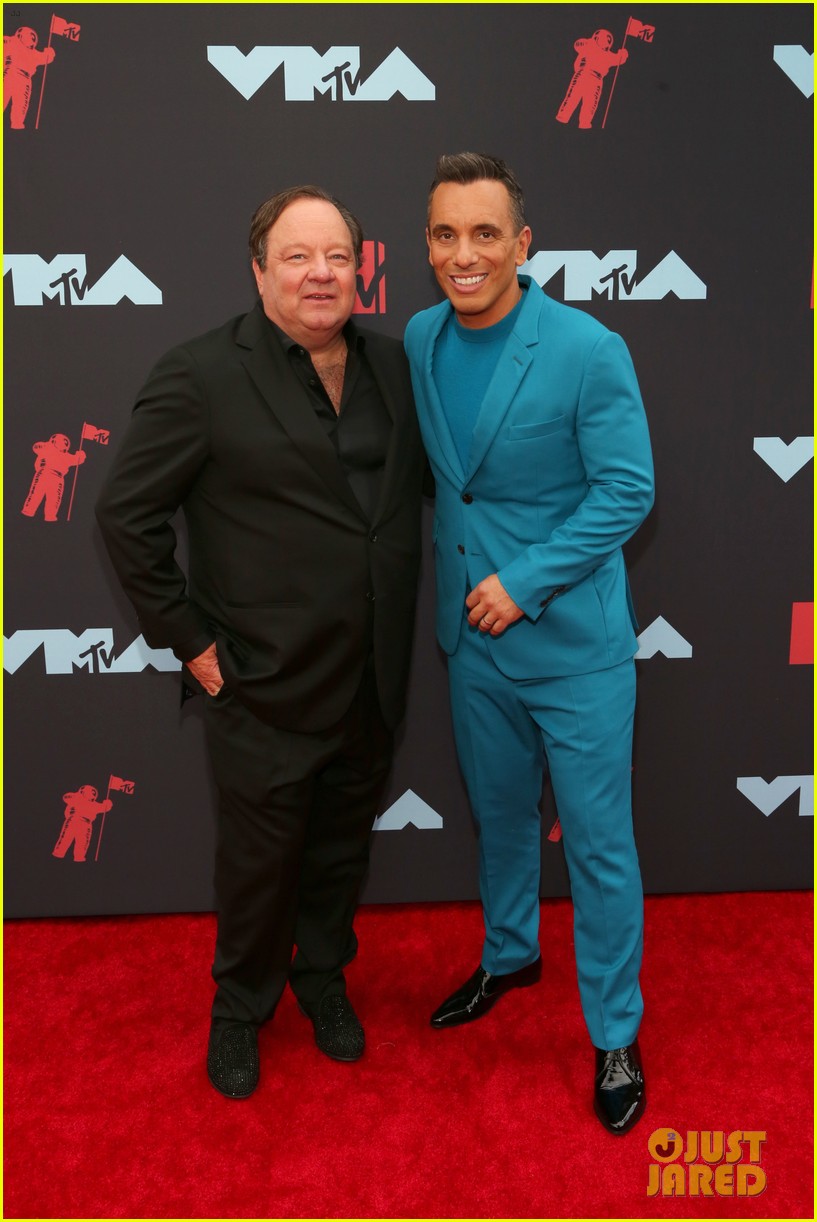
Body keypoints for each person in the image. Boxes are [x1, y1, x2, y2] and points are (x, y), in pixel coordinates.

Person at [96, 186, 426, 1099]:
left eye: (337, 256)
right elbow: (125, 516)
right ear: (259, 270)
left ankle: (322, 982)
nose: (320, 274)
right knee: (257, 869)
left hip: (371, 674)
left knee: (339, 852)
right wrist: (190, 645)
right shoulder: (201, 373)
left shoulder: (397, 367)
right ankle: (239, 1010)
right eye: (297, 256)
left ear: (360, 269)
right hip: (259, 682)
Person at [404, 152, 654, 1135]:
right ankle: (509, 955)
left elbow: (627, 490)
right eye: (445, 234)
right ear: (427, 245)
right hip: (470, 646)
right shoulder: (421, 336)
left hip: (572, 647)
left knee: (597, 847)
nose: (463, 254)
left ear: (522, 244)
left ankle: (615, 1032)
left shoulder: (588, 348)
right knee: (500, 817)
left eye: (483, 233)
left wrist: (526, 579)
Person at [555, 29, 628, 129]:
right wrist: (589, 42)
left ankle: (584, 122)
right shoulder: (589, 45)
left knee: (591, 102)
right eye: (604, 38)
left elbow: (618, 60)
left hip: (596, 79)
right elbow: (578, 44)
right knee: (573, 96)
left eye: (608, 40)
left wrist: (623, 54)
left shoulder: (608, 55)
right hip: (583, 73)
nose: (606, 41)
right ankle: (563, 116)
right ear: (597, 37)